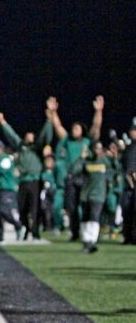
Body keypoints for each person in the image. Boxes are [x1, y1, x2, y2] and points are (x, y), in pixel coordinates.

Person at [49, 96, 104, 241]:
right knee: (71, 207)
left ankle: (89, 232)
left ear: (82, 130)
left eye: (77, 128)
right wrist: (53, 112)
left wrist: (99, 111)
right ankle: (74, 233)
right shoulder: (68, 141)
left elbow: (96, 127)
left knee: (86, 206)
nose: (74, 130)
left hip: (86, 177)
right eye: (73, 128)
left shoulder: (87, 141)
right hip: (72, 178)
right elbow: (58, 127)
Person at [0, 110, 53, 239]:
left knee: (35, 207)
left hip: (35, 180)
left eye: (31, 135)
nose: (29, 137)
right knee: (22, 208)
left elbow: (46, 136)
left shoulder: (37, 147)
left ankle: (35, 231)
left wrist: (49, 121)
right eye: (27, 135)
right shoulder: (21, 146)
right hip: (23, 180)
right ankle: (26, 228)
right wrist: (3, 122)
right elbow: (11, 135)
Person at [70, 141, 111, 253]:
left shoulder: (104, 161)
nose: (98, 150)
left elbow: (114, 170)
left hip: (98, 194)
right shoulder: (86, 161)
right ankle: (86, 241)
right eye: (96, 148)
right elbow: (74, 170)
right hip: (86, 194)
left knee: (94, 216)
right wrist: (81, 158)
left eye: (99, 148)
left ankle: (92, 241)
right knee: (85, 218)